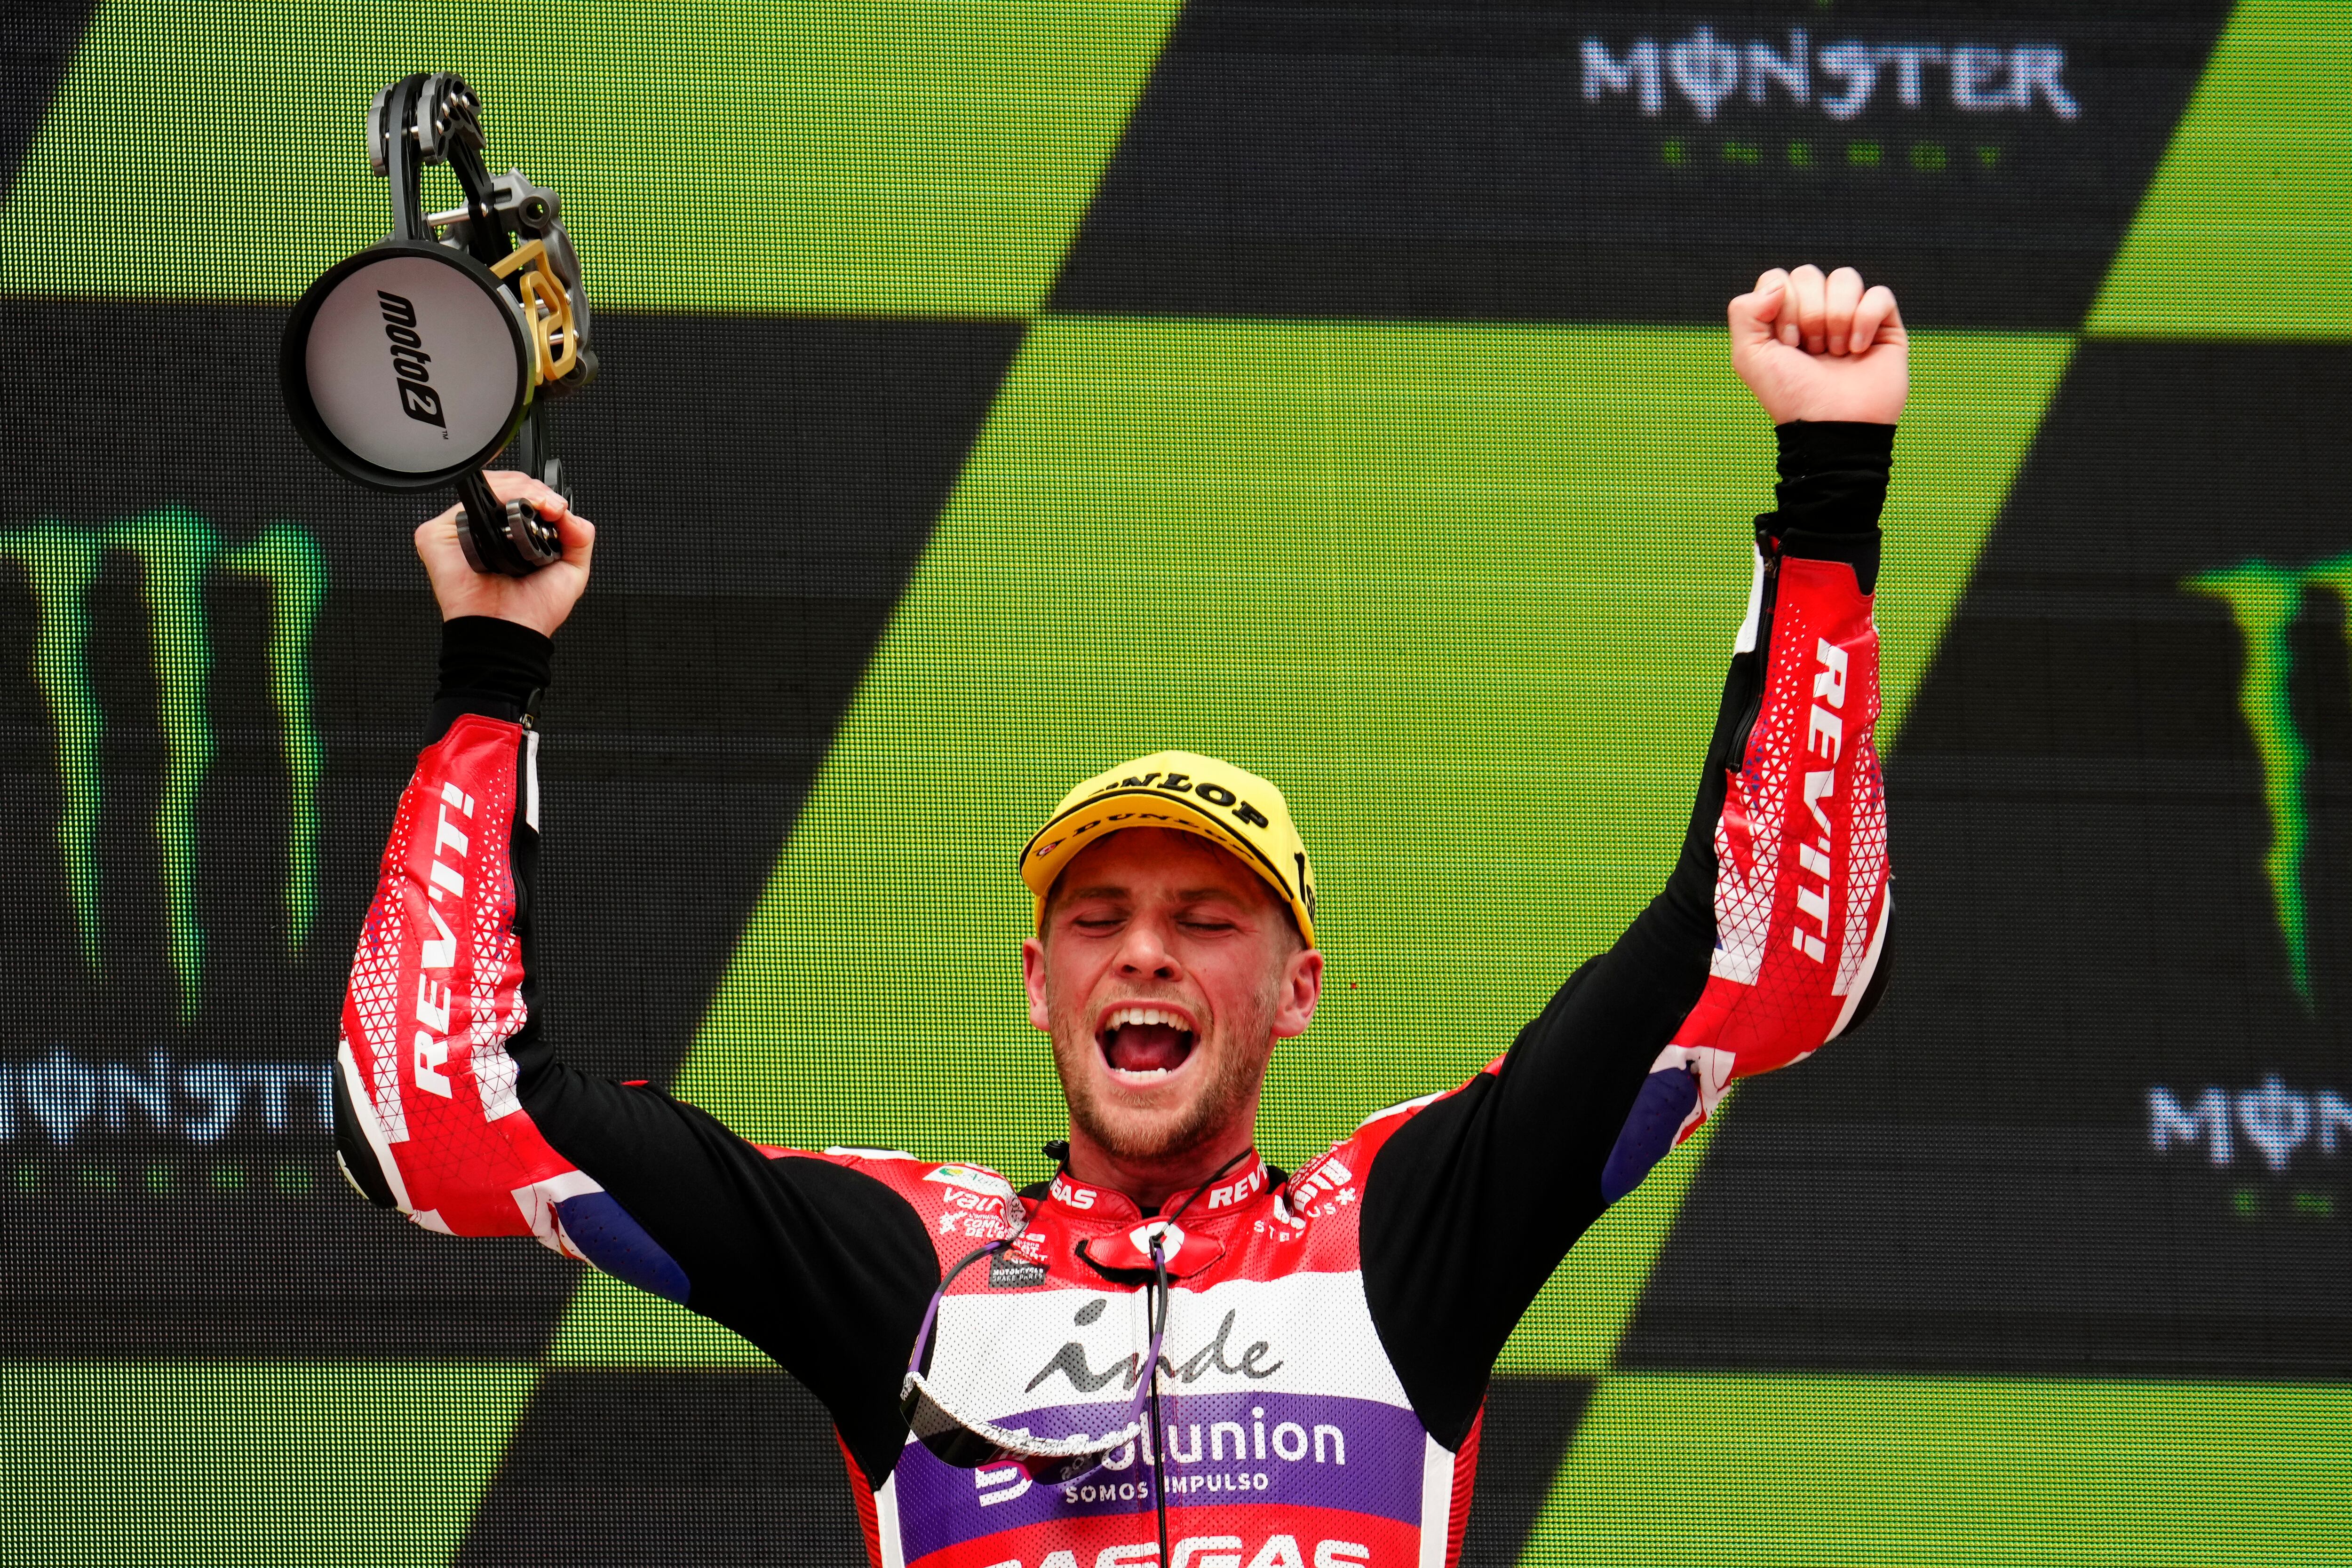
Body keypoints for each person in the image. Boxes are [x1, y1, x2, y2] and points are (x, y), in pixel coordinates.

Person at [333, 266, 1905, 1568]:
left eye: (1208, 918)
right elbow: (435, 1125)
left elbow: (1765, 962)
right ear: (1039, 981)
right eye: (1100, 916)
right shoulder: (906, 1269)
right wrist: (490, 667)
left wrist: (1829, 497)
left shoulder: (1406, 1230)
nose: (1146, 949)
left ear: (1298, 990)